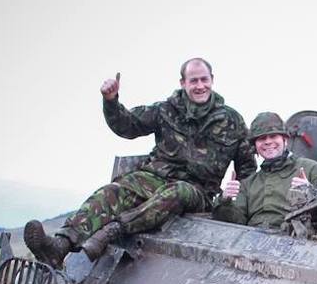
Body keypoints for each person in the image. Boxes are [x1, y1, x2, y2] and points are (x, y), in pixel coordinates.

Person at [24, 58, 255, 267]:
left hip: (197, 191)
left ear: (212, 80)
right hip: (154, 178)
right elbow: (128, 125)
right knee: (113, 191)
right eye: (193, 80)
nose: (200, 86)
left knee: (177, 192)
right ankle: (60, 246)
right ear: (183, 83)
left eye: (204, 79)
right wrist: (111, 101)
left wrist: (236, 202)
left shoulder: (231, 120)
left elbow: (247, 168)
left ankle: (113, 231)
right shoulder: (166, 110)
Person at [214, 112, 317, 229]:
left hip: (296, 239)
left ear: (285, 139)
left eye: (273, 136)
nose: (268, 142)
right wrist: (224, 200)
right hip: (253, 239)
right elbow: (236, 223)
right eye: (261, 138)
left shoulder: (311, 169)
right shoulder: (248, 183)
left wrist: (311, 193)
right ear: (255, 146)